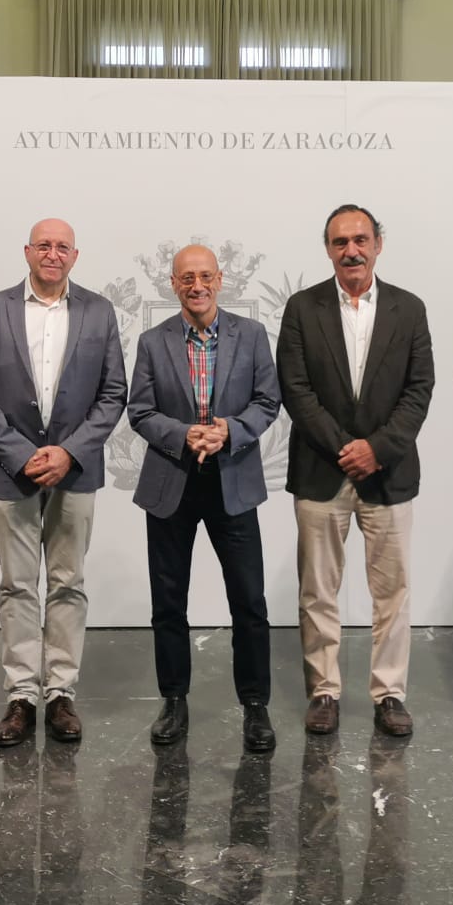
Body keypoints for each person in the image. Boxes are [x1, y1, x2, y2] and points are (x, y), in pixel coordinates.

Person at [0, 217, 128, 747]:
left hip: (75, 471)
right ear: (27, 252)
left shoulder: (99, 311)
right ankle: (21, 696)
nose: (53, 254)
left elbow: (113, 393)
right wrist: (22, 454)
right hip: (10, 472)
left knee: (67, 583)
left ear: (75, 256)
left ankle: (60, 693)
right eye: (44, 245)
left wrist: (69, 452)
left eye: (62, 247)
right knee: (16, 585)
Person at [277, 204, 434, 739]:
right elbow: (295, 389)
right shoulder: (302, 308)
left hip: (389, 474)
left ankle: (390, 694)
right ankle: (324, 691)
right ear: (328, 249)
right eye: (340, 242)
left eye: (361, 240)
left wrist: (378, 449)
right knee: (318, 591)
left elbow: (419, 389)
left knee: (393, 592)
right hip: (321, 470)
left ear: (378, 245)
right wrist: (347, 448)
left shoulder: (409, 308)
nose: (352, 251)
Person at [128, 244, 282, 752]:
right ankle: (174, 700)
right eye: (186, 278)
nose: (197, 286)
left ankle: (255, 706)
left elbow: (268, 400)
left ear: (220, 279)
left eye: (205, 276)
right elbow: (140, 411)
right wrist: (184, 434)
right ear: (173, 284)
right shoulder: (152, 341)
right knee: (168, 602)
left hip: (232, 481)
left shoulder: (252, 335)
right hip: (171, 481)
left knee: (249, 602)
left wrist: (229, 430)